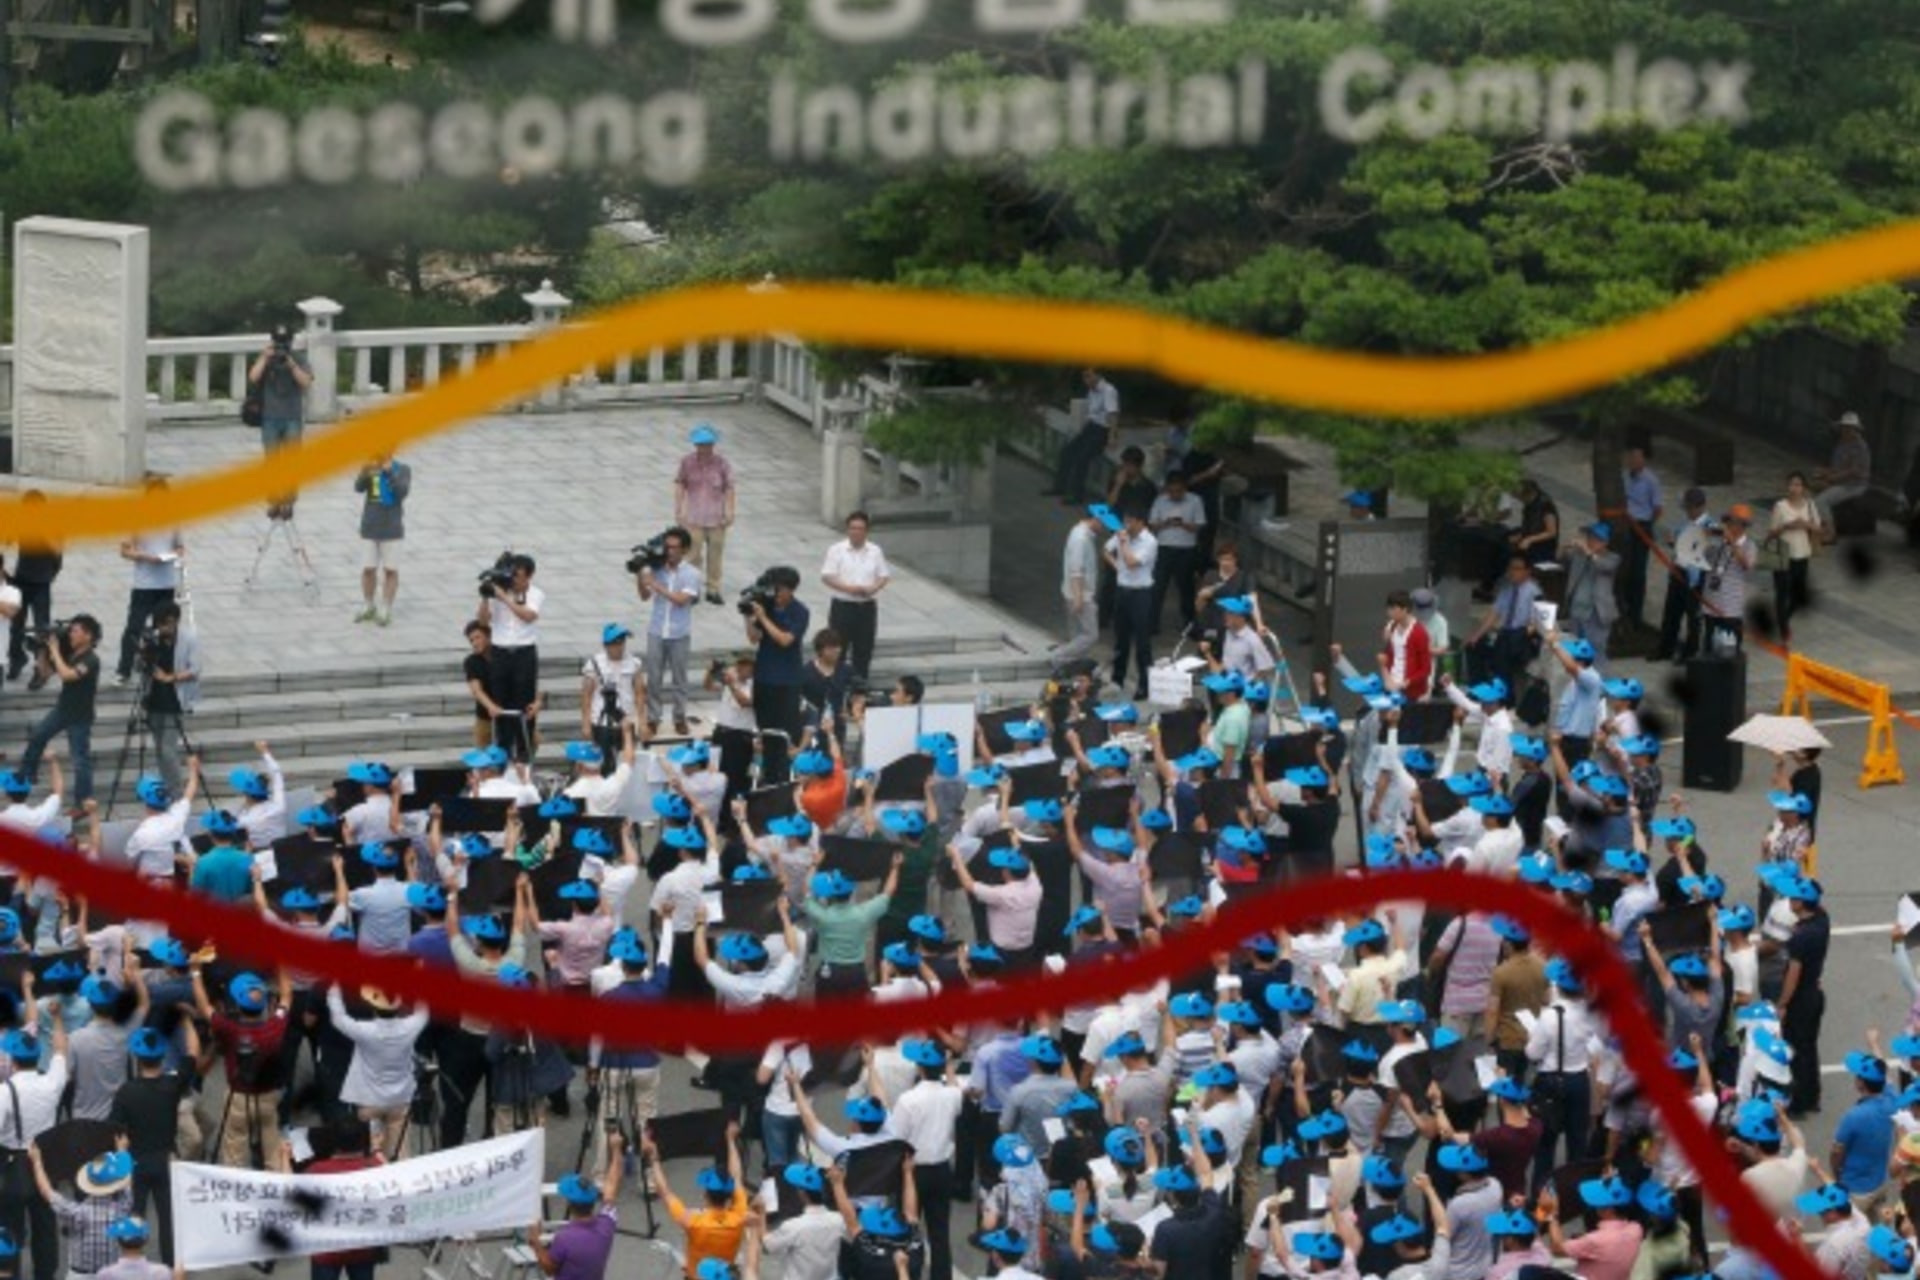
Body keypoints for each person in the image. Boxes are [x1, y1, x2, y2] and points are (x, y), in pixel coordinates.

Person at [0, 988, 69, 1280]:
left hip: (12, 1164)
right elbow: (61, 1051)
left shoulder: (4, 1092)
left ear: (12, 1060)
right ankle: (45, 1274)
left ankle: (11, 1274)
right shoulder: (52, 1082)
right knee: (45, 1227)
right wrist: (56, 1020)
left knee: (10, 1230)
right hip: (46, 1163)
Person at [19, 615, 103, 807]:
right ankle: (26, 774)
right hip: (63, 709)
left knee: (80, 761)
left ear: (88, 636)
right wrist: (43, 650)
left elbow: (67, 675)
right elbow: (46, 673)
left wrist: (55, 650)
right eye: (71, 630)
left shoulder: (91, 660)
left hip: (80, 717)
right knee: (38, 736)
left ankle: (83, 802)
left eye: (75, 631)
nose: (70, 634)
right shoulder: (70, 654)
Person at [638, 526, 703, 737]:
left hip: (679, 634)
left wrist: (655, 585)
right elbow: (644, 596)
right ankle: (653, 717)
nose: (670, 551)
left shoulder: (692, 574)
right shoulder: (657, 569)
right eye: (667, 547)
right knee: (654, 678)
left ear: (684, 550)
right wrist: (641, 574)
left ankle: (679, 717)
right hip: (656, 631)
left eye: (675, 548)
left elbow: (681, 600)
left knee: (679, 679)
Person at [744, 566, 809, 777]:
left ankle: (782, 777)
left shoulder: (800, 611)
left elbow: (785, 640)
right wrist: (749, 615)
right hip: (764, 678)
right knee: (765, 732)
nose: (776, 594)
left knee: (785, 735)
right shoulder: (767, 606)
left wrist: (763, 618)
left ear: (790, 590)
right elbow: (754, 637)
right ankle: (767, 774)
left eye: (779, 590)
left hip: (787, 682)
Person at [478, 553, 544, 761]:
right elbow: (482, 622)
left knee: (524, 704)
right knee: (501, 703)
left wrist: (504, 598)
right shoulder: (499, 592)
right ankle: (502, 751)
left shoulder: (535, 594)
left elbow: (528, 616)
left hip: (524, 653)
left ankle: (524, 752)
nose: (513, 580)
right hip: (500, 653)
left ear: (529, 577)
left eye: (518, 576)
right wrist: (486, 598)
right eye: (512, 575)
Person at [529, 1135, 624, 1280]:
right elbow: (612, 1186)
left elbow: (549, 1268)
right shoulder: (607, 1224)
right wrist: (616, 1149)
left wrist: (535, 1243)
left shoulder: (564, 1238)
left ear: (570, 1205)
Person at [114, 494, 182, 688]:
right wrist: (145, 556)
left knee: (165, 629)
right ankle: (123, 670)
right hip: (144, 585)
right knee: (134, 628)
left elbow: (180, 549)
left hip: (166, 584)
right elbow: (124, 551)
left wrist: (168, 556)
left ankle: (160, 667)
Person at [248, 324, 313, 518]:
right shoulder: (267, 358)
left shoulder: (299, 358)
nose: (281, 347)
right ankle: (274, 501)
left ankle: (288, 502)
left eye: (284, 343)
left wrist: (291, 364)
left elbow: (306, 382)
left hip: (292, 416)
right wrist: (264, 357)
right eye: (278, 342)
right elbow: (253, 377)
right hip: (270, 417)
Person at [138, 602, 199, 800]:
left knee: (168, 749)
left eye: (167, 624)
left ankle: (177, 793)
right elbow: (139, 667)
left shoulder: (188, 638)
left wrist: (169, 677)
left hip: (175, 700)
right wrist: (143, 653)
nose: (163, 628)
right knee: (158, 748)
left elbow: (195, 669)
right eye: (160, 624)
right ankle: (166, 785)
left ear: (175, 621)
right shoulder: (152, 638)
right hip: (154, 698)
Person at [822, 511, 891, 680]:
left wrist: (874, 588)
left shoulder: (875, 551)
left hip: (866, 607)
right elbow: (827, 576)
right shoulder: (836, 550)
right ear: (847, 530)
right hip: (843, 606)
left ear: (867, 531)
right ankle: (837, 685)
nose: (856, 532)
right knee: (838, 649)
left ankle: (859, 688)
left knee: (864, 650)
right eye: (852, 528)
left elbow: (884, 576)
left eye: (860, 528)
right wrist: (848, 588)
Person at [675, 423, 736, 605]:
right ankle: (692, 590)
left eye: (708, 444)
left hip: (717, 519)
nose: (704, 448)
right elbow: (680, 484)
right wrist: (679, 509)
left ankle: (713, 588)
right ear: (695, 446)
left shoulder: (722, 464)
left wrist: (730, 512)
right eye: (701, 445)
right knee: (692, 555)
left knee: (715, 555)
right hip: (693, 518)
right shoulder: (687, 462)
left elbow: (730, 488)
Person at [1652, 487, 1714, 663]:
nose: (1688, 512)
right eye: (1686, 508)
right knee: (1671, 612)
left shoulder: (1710, 527)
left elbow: (1705, 553)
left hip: (1695, 577)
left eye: (1690, 508)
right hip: (1678, 571)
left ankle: (1690, 652)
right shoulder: (1684, 524)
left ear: (1700, 507)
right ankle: (1665, 648)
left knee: (1693, 616)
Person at [8, 491, 62, 686]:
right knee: (16, 626)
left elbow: (57, 550)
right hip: (20, 580)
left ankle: (40, 669)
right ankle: (16, 659)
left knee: (41, 629)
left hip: (41, 584)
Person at [1463, 557, 1538, 695]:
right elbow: (1493, 614)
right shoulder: (1506, 590)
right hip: (1505, 634)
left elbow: (1535, 623)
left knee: (1504, 647)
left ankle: (1504, 698)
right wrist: (1476, 636)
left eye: (1517, 569)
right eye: (1511, 568)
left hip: (1523, 637)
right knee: (1475, 646)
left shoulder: (1534, 592)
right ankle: (1479, 690)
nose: (1512, 572)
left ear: (1527, 571)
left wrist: (1520, 635)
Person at [1104, 509, 1157, 702]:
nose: (1126, 525)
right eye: (1125, 520)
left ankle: (1145, 685)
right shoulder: (1121, 535)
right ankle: (1117, 679)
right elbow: (1106, 550)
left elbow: (1132, 562)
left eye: (1130, 521)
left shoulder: (1149, 541)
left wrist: (1124, 543)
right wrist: (1117, 567)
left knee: (1142, 642)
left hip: (1141, 594)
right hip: (1122, 591)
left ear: (1140, 522)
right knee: (1120, 638)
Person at [352, 453, 411, 626]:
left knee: (390, 570)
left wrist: (389, 472)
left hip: (392, 528)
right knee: (368, 568)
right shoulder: (370, 466)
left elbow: (402, 492)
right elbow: (358, 487)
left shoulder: (402, 470)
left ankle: (386, 607)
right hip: (370, 527)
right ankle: (368, 604)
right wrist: (366, 471)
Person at [1051, 368, 1120, 507]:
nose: (1086, 380)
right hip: (1091, 427)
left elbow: (1113, 414)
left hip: (1103, 430)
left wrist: (1112, 437)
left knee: (1082, 459)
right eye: (1084, 377)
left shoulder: (1108, 391)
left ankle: (1077, 495)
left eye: (1089, 376)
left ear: (1098, 375)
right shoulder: (1091, 390)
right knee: (1067, 451)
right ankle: (1059, 487)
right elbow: (1091, 413)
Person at [1055, 506, 1114, 668]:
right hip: (1081, 594)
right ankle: (1059, 656)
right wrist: (1079, 597)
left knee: (1077, 634)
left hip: (1074, 592)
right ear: (1095, 519)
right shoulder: (1081, 539)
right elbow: (1076, 570)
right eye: (1103, 522)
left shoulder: (1080, 532)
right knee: (1090, 635)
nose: (1104, 526)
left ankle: (1070, 665)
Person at [1148, 471, 1205, 635]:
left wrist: (1183, 524)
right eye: (1172, 491)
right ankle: (1152, 624)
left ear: (1184, 489)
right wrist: (1166, 523)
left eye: (1178, 491)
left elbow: (1199, 526)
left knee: (1186, 588)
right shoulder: (1160, 501)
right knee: (1158, 587)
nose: (1175, 495)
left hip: (1186, 549)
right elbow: (1152, 525)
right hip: (1164, 548)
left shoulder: (1195, 500)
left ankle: (1190, 625)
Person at [1768, 472, 1822, 643]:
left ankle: (1781, 619)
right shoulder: (1780, 506)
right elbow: (1772, 533)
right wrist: (1787, 526)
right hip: (1783, 553)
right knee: (1782, 593)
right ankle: (1784, 629)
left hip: (1802, 554)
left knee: (1798, 595)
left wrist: (1805, 524)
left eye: (1798, 485)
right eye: (1791, 484)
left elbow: (1818, 528)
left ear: (1804, 488)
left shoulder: (1810, 505)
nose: (1794, 488)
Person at [580, 624, 646, 763]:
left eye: (622, 641)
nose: (621, 646)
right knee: (603, 765)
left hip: (626, 723)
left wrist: (641, 722)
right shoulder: (594, 664)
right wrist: (586, 724)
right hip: (601, 722)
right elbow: (586, 695)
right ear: (607, 645)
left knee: (627, 765)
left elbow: (640, 693)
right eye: (617, 642)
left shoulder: (634, 663)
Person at [1561, 522, 1620, 668]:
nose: (1589, 541)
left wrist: (1588, 552)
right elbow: (1561, 557)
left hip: (1596, 613)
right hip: (1576, 610)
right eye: (1589, 537)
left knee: (1596, 652)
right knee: (1576, 651)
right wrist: (1565, 546)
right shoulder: (1579, 554)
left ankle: (1599, 686)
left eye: (1594, 538)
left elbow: (1603, 566)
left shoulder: (1613, 558)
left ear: (1604, 542)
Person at [1701, 505, 1758, 653]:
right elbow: (1703, 560)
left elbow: (1746, 564)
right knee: (1709, 649)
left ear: (1742, 526)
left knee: (1729, 651)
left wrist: (1731, 541)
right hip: (1711, 603)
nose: (1728, 526)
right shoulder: (1719, 542)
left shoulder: (1749, 546)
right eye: (1727, 522)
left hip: (1731, 609)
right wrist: (1703, 539)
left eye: (1732, 522)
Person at [1619, 445, 1663, 628]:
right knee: (1624, 567)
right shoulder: (1625, 477)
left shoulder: (1651, 481)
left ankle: (1635, 613)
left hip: (1641, 526)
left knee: (1638, 571)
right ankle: (1623, 606)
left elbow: (1658, 508)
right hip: (1626, 524)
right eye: (1630, 458)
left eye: (1636, 458)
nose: (1632, 462)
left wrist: (1646, 525)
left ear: (1643, 460)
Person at [1814, 410, 1873, 527]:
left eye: (1849, 428)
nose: (1845, 430)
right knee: (1812, 485)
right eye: (1844, 427)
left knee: (1820, 502)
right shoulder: (1842, 443)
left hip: (1854, 485)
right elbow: (1838, 467)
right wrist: (1824, 472)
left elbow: (1854, 471)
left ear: (1855, 429)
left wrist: (1832, 478)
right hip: (1842, 482)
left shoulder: (1860, 446)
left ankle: (1829, 530)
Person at [462, 622, 501, 750]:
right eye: (471, 640)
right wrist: (491, 706)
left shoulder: (504, 656)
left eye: (477, 637)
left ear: (489, 637)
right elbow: (476, 690)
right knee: (483, 755)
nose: (474, 643)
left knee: (533, 739)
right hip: (485, 716)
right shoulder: (471, 662)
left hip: (507, 713)